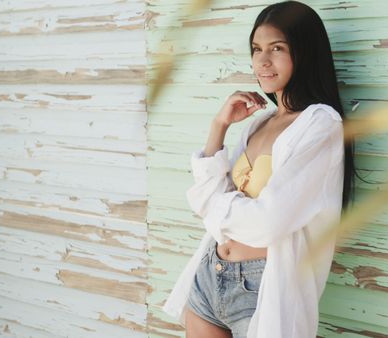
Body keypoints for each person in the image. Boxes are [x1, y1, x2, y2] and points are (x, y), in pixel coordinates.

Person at [162, 1, 356, 337]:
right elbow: (208, 196)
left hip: (263, 287)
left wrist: (213, 205)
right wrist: (219, 125)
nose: (262, 61)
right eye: (256, 49)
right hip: (210, 273)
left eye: (277, 48)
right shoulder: (260, 123)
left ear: (304, 53)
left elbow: (269, 221)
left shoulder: (321, 125)